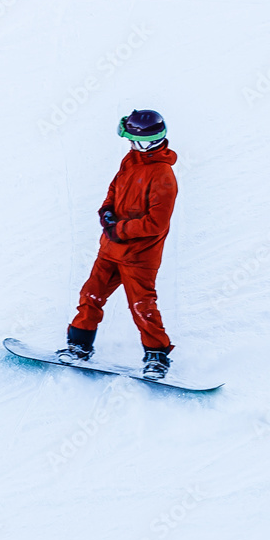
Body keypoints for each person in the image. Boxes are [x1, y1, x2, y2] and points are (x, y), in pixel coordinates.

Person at [58, 110, 179, 379]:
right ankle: (79, 345)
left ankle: (157, 356)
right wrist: (107, 211)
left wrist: (120, 230)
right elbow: (114, 188)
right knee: (91, 294)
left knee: (142, 306)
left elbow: (156, 223)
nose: (131, 145)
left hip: (139, 256)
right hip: (111, 249)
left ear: (149, 142)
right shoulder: (131, 160)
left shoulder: (163, 176)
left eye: (135, 140)